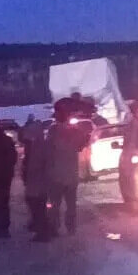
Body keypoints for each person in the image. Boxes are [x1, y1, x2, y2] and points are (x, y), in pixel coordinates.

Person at [47, 100, 87, 235]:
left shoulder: (53, 131)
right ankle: (70, 228)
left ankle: (55, 227)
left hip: (56, 174)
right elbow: (81, 145)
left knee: (55, 204)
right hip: (70, 174)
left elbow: (48, 150)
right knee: (70, 204)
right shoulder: (74, 131)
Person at [22, 119, 50, 241]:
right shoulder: (37, 145)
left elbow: (39, 164)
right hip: (37, 181)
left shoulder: (39, 146)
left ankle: (43, 232)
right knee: (37, 206)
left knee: (37, 206)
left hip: (38, 182)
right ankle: (42, 229)